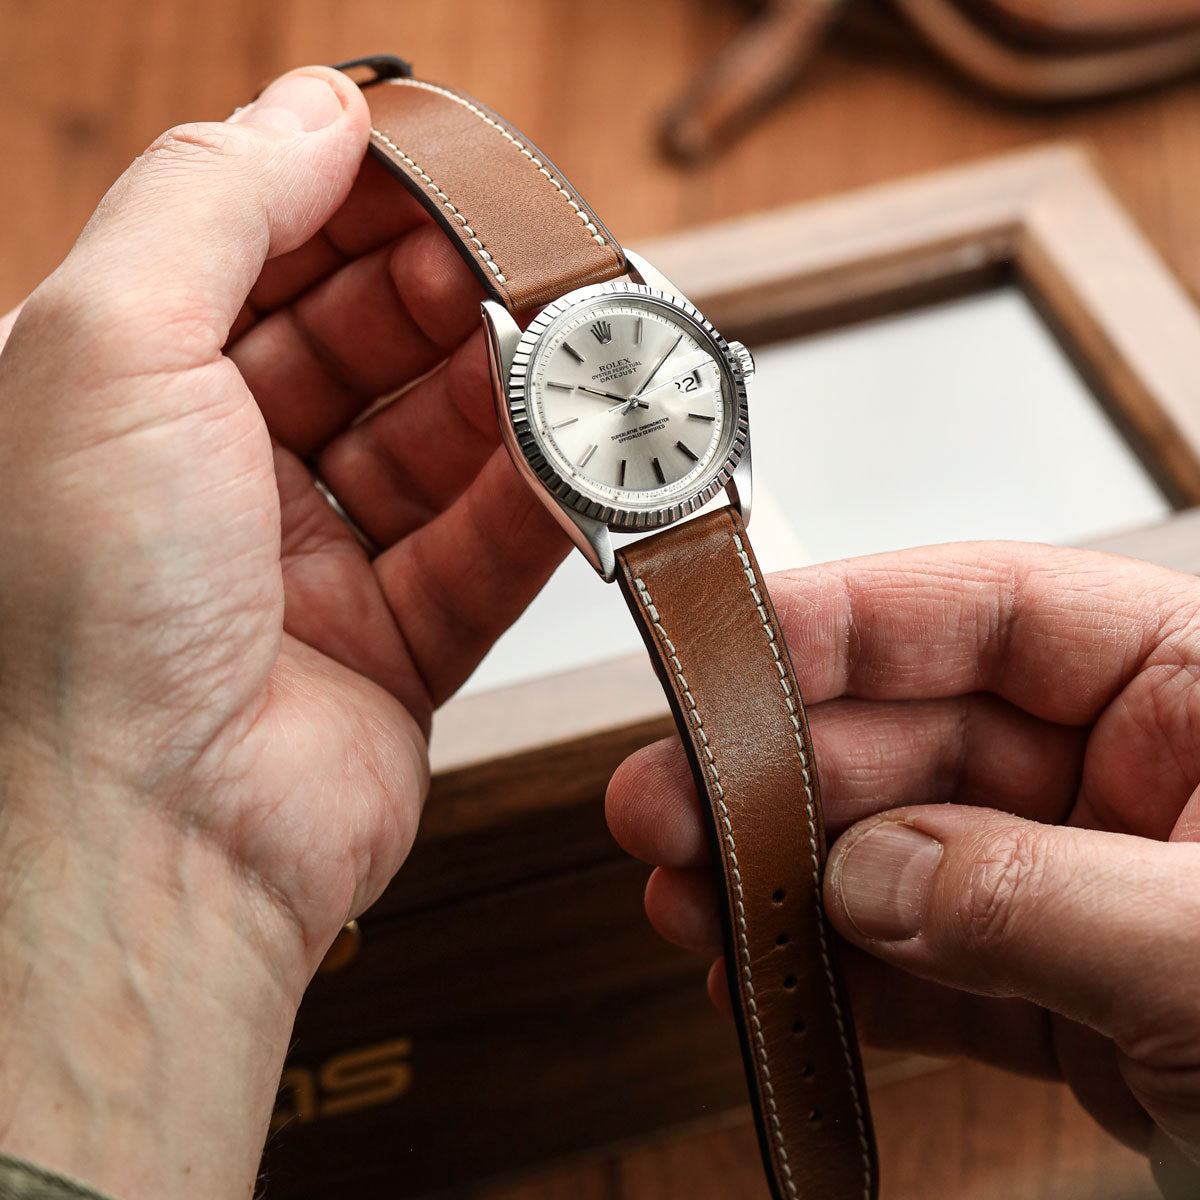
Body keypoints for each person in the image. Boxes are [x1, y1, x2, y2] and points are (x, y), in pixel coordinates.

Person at [0, 63, 1195, 1200]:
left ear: (711, 369)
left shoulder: (629, 375)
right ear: (529, 417)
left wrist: (156, 839)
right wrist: (177, 836)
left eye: (643, 380)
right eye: (597, 392)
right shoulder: (541, 380)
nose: (630, 392)